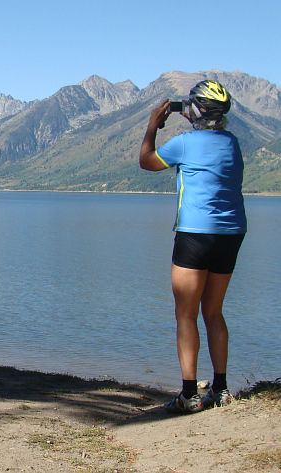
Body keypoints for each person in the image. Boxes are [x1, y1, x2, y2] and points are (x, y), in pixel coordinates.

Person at [138, 80, 247, 414]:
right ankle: (222, 389)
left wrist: (152, 126)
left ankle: (189, 395)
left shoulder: (184, 143)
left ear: (195, 110)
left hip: (194, 234)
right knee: (213, 311)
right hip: (232, 232)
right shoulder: (232, 143)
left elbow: (147, 161)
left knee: (186, 314)